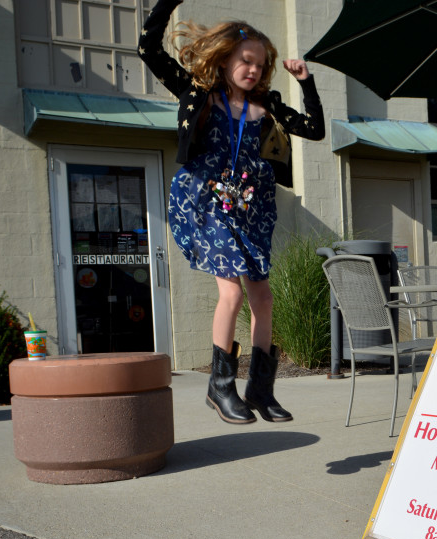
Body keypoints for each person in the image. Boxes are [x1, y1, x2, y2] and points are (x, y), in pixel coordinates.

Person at [139, 0, 324, 424]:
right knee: (233, 292)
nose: (254, 70)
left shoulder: (268, 107)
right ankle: (220, 387)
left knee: (263, 295)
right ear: (224, 60)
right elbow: (148, 49)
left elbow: (314, 129)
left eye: (261, 64)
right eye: (245, 61)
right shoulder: (199, 94)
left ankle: (260, 389)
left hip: (251, 207)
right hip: (208, 202)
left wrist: (306, 82)